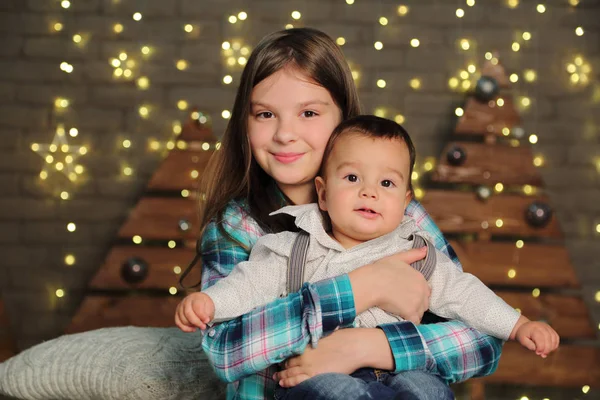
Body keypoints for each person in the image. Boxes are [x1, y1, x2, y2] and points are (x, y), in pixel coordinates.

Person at [175, 27, 506, 400]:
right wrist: (362, 287)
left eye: (309, 112)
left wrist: (370, 347)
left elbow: (482, 337)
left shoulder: (399, 214)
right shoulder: (237, 226)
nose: (285, 133)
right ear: (245, 123)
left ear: (343, 119)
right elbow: (227, 349)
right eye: (266, 114)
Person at [176, 115, 560, 399]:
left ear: (405, 203)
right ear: (323, 194)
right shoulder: (295, 248)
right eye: (352, 179)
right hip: (316, 376)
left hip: (399, 369)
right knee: (337, 393)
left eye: (387, 183)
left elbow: (465, 295)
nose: (369, 192)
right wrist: (210, 301)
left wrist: (518, 324)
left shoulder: (418, 252)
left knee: (428, 390)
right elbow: (249, 284)